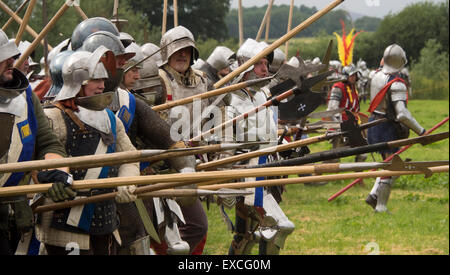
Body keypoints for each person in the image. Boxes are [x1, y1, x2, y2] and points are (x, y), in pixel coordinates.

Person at [35, 47, 139, 255]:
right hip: (65, 221)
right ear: (77, 82)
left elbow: (129, 157)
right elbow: (38, 162)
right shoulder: (53, 117)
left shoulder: (111, 119)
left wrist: (127, 182)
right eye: (95, 80)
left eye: (103, 79)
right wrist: (48, 180)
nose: (102, 86)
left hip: (105, 218)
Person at [221, 38, 294, 255]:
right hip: (244, 176)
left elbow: (269, 134)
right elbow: (224, 144)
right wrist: (224, 181)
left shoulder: (263, 95)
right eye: (260, 64)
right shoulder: (229, 98)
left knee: (246, 235)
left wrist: (288, 145)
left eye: (266, 64)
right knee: (279, 226)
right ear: (245, 65)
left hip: (266, 171)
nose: (266, 69)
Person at [0, 29, 66, 255]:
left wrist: (54, 171)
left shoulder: (25, 95)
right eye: (2, 57)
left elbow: (47, 143)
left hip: (16, 219)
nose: (12, 60)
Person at [157, 25, 209, 254]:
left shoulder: (203, 81)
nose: (182, 54)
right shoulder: (157, 79)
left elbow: (214, 116)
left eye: (187, 50)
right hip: (163, 163)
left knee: (195, 226)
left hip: (192, 159)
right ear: (166, 53)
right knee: (166, 229)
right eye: (177, 50)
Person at [366, 44, 426, 213]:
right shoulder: (396, 84)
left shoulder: (376, 75)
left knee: (388, 163)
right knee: (391, 168)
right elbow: (402, 114)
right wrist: (421, 131)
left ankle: (373, 195)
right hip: (386, 127)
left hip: (373, 124)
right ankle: (381, 207)